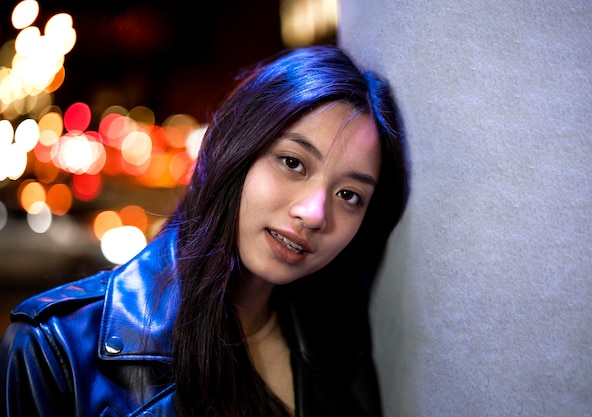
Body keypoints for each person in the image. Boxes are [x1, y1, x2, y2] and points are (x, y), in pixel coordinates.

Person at [0, 44, 409, 417]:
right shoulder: (56, 348)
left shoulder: (338, 340)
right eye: (293, 163)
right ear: (235, 149)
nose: (315, 213)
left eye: (350, 195)